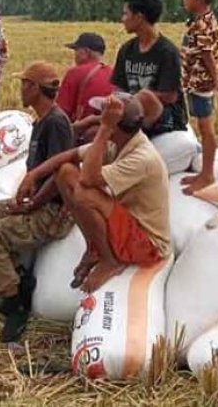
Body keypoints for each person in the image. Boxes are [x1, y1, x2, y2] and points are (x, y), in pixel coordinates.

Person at [0, 61, 75, 344]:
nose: (19, 90)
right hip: (37, 202)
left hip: (52, 210)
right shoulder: (42, 120)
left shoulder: (55, 123)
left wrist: (30, 205)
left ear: (34, 88)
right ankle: (18, 275)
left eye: (23, 84)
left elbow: (59, 177)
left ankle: (15, 302)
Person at [26, 91, 170, 293]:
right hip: (125, 222)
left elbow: (87, 179)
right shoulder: (117, 143)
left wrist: (104, 128)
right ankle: (94, 248)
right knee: (65, 172)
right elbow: (71, 155)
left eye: (104, 116)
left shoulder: (141, 157)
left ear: (115, 125)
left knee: (84, 193)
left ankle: (110, 260)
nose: (99, 119)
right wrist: (32, 175)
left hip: (146, 243)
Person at [111, 0, 188, 137]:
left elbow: (170, 96)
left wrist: (135, 99)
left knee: (145, 96)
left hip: (164, 117)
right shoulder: (127, 50)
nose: (123, 19)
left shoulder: (167, 52)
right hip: (132, 110)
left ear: (139, 17)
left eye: (126, 13)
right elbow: (119, 87)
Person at [179, 0, 218, 194]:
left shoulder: (203, 23)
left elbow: (207, 54)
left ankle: (207, 174)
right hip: (193, 82)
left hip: (201, 84)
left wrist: (217, 79)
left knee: (206, 129)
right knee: (202, 127)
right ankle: (204, 173)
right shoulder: (198, 20)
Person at [55, 32, 113, 142]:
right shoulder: (113, 73)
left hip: (83, 139)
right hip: (109, 137)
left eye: (76, 50)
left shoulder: (74, 73)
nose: (75, 55)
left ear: (86, 51)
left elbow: (61, 115)